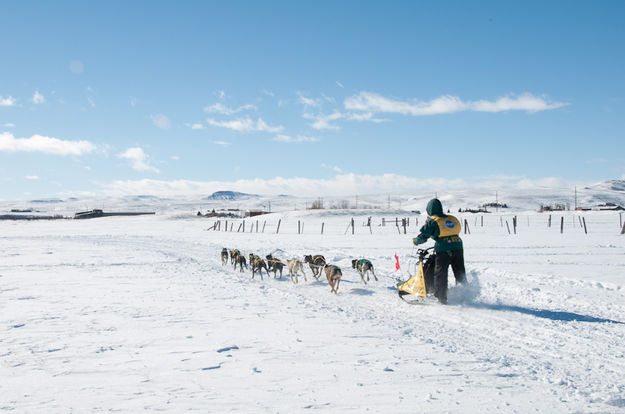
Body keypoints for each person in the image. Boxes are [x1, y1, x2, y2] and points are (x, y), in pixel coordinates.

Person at [413, 198, 466, 304]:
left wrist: (416, 241)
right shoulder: (452, 218)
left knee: (440, 274)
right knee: (459, 272)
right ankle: (465, 294)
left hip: (443, 249)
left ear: (429, 209)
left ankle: (441, 298)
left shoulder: (433, 220)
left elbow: (424, 236)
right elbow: (458, 230)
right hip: (458, 247)